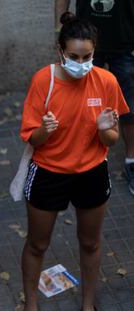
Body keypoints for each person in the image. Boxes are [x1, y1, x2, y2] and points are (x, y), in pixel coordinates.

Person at [20, 13, 129, 311]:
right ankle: (31, 304)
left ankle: (88, 304)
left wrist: (105, 129)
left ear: (95, 52)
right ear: (60, 51)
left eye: (87, 56)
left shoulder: (106, 81)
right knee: (37, 244)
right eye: (74, 56)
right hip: (48, 174)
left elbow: (112, 141)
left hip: (92, 173)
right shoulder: (44, 80)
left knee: (90, 243)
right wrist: (45, 130)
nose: (81, 63)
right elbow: (32, 139)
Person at [55, 0, 134, 195]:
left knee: (130, 106)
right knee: (81, 101)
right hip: (85, 44)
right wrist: (61, 27)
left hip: (126, 43)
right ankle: (80, 157)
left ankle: (132, 161)